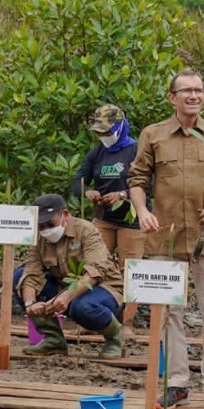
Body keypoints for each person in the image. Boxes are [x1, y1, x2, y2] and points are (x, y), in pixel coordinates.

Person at [128, 69, 204, 409]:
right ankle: (177, 384)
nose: (194, 96)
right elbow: (137, 178)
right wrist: (141, 211)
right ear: (172, 97)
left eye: (199, 90)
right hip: (164, 238)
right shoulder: (153, 134)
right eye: (186, 91)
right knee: (167, 314)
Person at [15, 194, 125, 358]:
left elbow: (95, 272)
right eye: (41, 226)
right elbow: (32, 272)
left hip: (103, 288)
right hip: (64, 287)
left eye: (50, 224)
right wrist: (30, 303)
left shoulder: (86, 230)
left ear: (65, 215)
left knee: (82, 306)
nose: (46, 230)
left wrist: (66, 297)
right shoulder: (38, 238)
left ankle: (115, 339)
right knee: (18, 277)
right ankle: (53, 339)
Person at [73, 104, 145, 339]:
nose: (103, 137)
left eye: (107, 132)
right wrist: (88, 193)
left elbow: (148, 183)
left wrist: (123, 194)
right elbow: (78, 181)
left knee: (130, 271)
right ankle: (92, 319)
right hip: (103, 219)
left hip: (131, 220)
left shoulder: (136, 151)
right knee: (94, 266)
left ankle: (127, 323)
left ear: (120, 127)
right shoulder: (96, 153)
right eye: (99, 133)